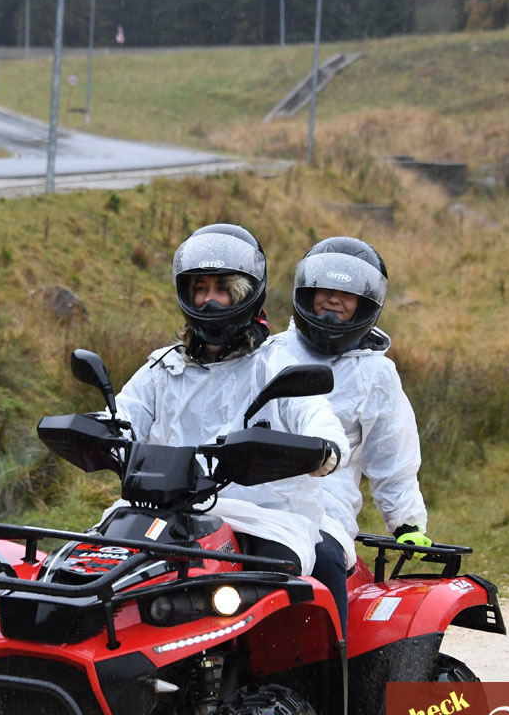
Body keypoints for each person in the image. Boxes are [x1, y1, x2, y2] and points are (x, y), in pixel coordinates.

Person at [113, 223, 352, 626]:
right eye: (200, 288)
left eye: (222, 289)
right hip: (165, 513)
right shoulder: (163, 366)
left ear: (245, 293)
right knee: (97, 566)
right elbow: (124, 413)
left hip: (263, 517)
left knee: (281, 613)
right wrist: (98, 432)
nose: (209, 301)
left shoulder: (277, 365)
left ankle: (290, 683)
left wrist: (324, 449)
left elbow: (317, 418)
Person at [270, 237, 428, 593]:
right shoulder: (271, 352)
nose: (333, 300)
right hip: (255, 495)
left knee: (322, 557)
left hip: (326, 507)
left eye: (347, 294)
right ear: (306, 292)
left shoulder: (376, 374)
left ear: (365, 305)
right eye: (325, 289)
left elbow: (393, 455)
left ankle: (335, 647)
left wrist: (406, 524)